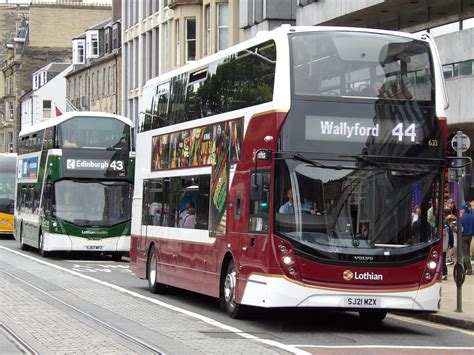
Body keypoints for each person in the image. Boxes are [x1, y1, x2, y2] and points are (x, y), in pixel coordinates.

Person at [461, 203, 474, 275]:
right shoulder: (472, 216)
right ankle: (465, 267)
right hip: (470, 236)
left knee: (465, 253)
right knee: (467, 252)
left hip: (463, 236)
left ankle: (469, 269)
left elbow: (458, 227)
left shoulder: (461, 217)